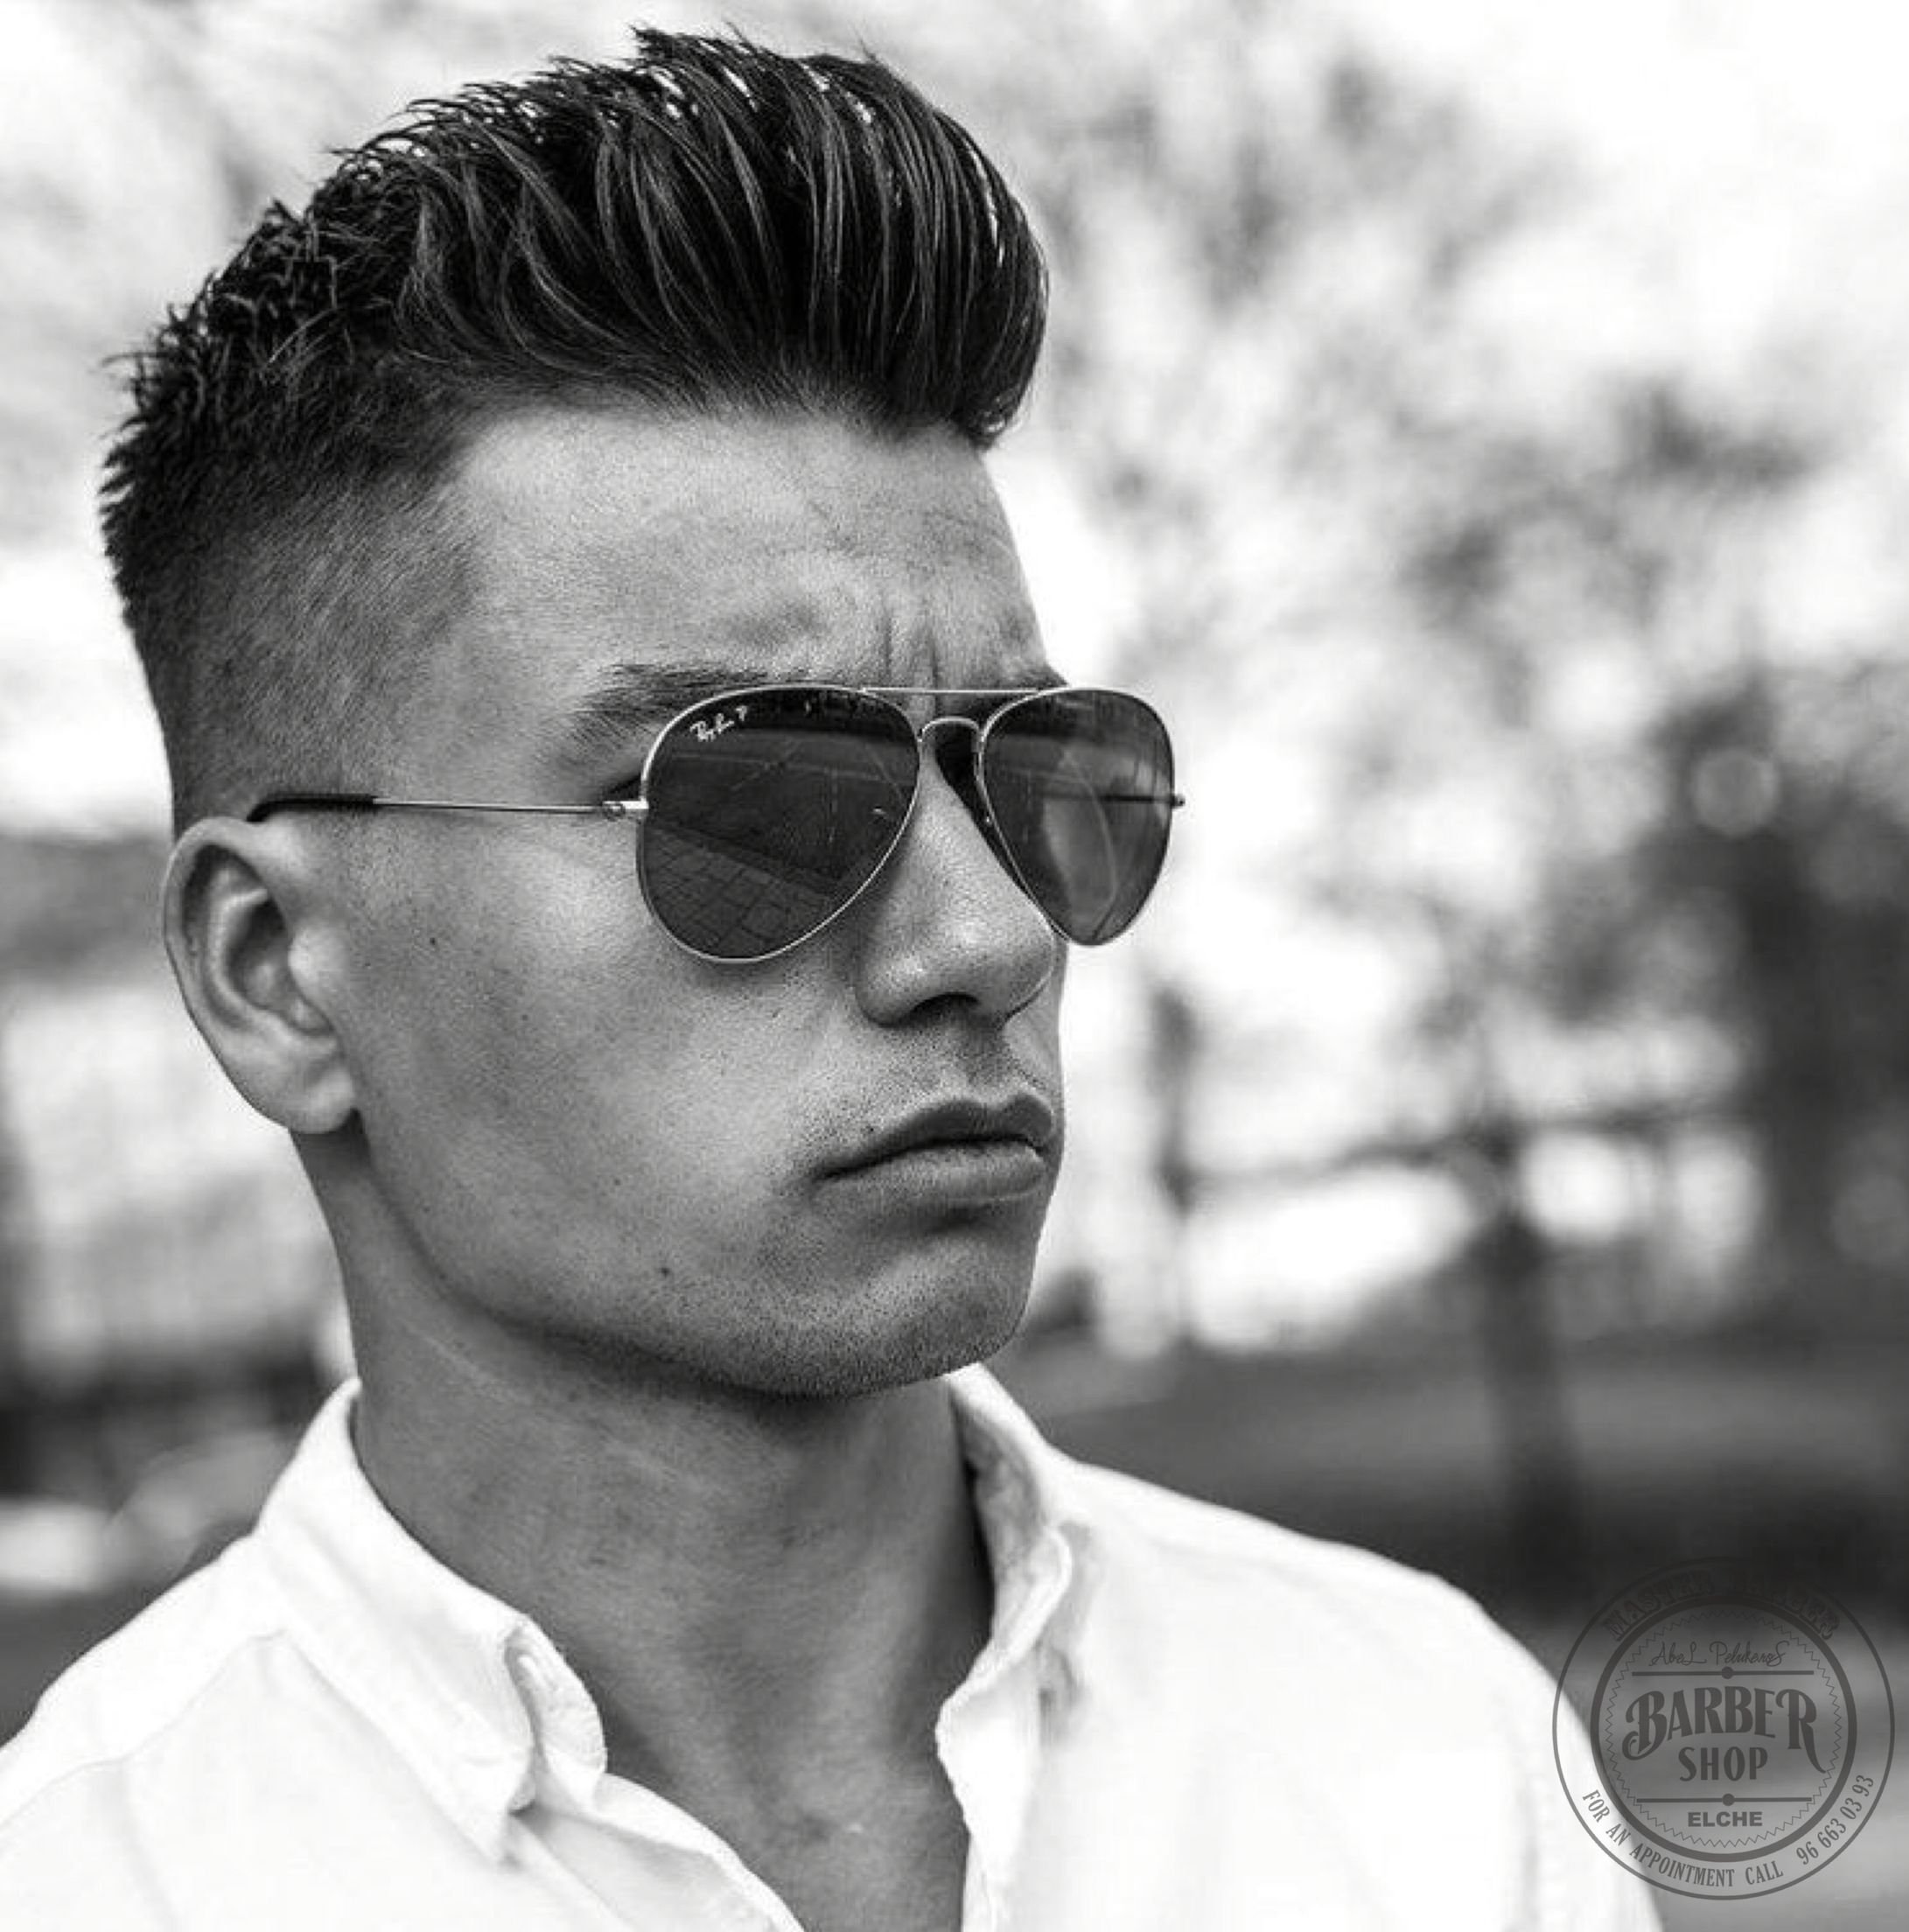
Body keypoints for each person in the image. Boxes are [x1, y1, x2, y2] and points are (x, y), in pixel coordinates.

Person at [0, 25, 1659, 1930]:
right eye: (754, 802)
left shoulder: (1427, 1765)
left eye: (1038, 773)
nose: (992, 937)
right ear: (277, 974)